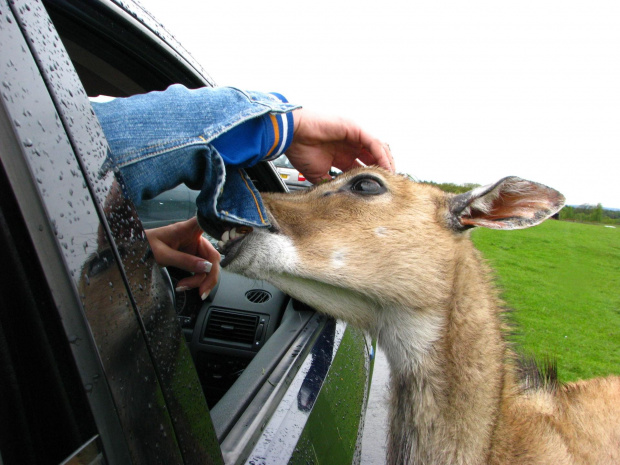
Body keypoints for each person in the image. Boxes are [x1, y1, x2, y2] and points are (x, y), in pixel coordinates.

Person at [92, 85, 395, 299]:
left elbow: (82, 157)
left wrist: (124, 250)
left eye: (365, 187)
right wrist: (283, 125)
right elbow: (88, 148)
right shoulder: (65, 144)